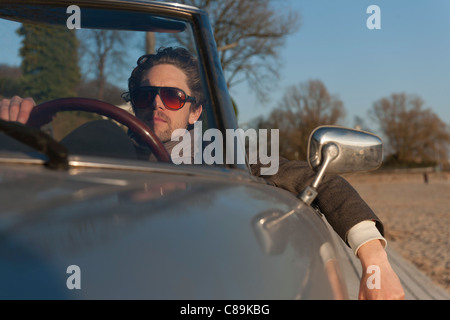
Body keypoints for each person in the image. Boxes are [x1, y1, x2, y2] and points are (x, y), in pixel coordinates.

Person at [0, 47, 404, 300]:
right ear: (134, 103)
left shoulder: (226, 154)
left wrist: (375, 262)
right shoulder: (99, 140)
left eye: (173, 97)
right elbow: (41, 187)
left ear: (195, 112)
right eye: (145, 95)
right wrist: (19, 136)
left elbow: (320, 179)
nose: (157, 103)